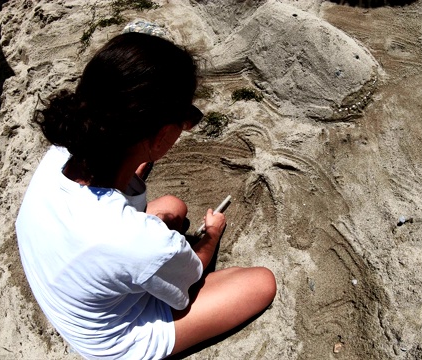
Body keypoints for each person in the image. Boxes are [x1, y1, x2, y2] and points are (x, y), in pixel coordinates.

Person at [15, 33, 276, 359]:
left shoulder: (65, 150)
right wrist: (211, 232)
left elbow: (126, 188)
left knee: (172, 207)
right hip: (114, 340)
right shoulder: (135, 239)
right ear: (160, 135)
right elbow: (191, 273)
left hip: (72, 284)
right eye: (187, 118)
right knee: (260, 283)